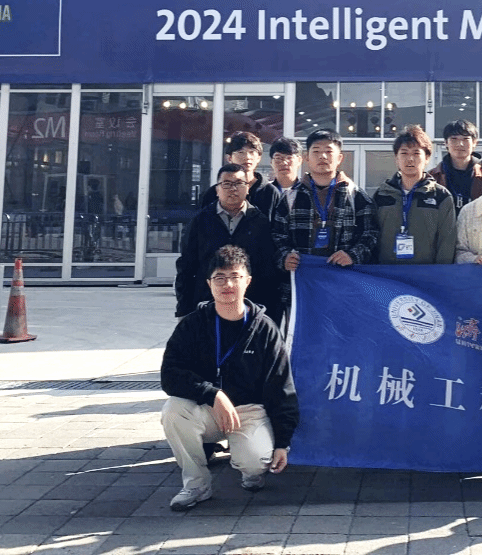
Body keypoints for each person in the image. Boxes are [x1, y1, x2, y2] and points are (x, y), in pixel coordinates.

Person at [161, 245, 298, 512]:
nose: (228, 284)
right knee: (173, 411)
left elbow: (281, 387)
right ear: (209, 284)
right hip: (208, 408)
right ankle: (196, 484)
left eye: (235, 277)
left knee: (255, 461)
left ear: (247, 281)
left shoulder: (265, 329)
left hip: (249, 411)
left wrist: (283, 442)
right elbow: (170, 375)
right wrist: (212, 394)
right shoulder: (193, 324)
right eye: (220, 278)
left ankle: (250, 469)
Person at [175, 164, 282, 324]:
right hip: (207, 307)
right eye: (226, 184)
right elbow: (186, 267)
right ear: (217, 189)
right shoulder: (200, 222)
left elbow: (268, 271)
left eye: (239, 183)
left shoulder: (261, 223)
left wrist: (269, 313)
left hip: (250, 308)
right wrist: (184, 309)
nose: (233, 189)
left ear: (247, 188)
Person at [272, 129, 378, 277]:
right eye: (316, 151)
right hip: (302, 279)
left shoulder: (356, 196)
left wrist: (353, 255)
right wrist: (285, 256)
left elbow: (371, 233)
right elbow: (277, 236)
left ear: (340, 158)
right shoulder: (291, 197)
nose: (322, 156)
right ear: (307, 158)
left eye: (329, 151)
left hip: (343, 279)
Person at [373, 125, 457, 264]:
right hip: (387, 272)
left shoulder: (441, 196)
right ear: (396, 158)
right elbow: (372, 236)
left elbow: (446, 242)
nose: (410, 159)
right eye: (404, 153)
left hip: (425, 273)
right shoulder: (382, 194)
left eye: (416, 153)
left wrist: (440, 272)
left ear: (427, 158)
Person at [429, 119, 482, 213]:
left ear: (475, 143)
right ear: (446, 143)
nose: (460, 144)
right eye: (454, 139)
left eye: (465, 139)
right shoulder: (433, 177)